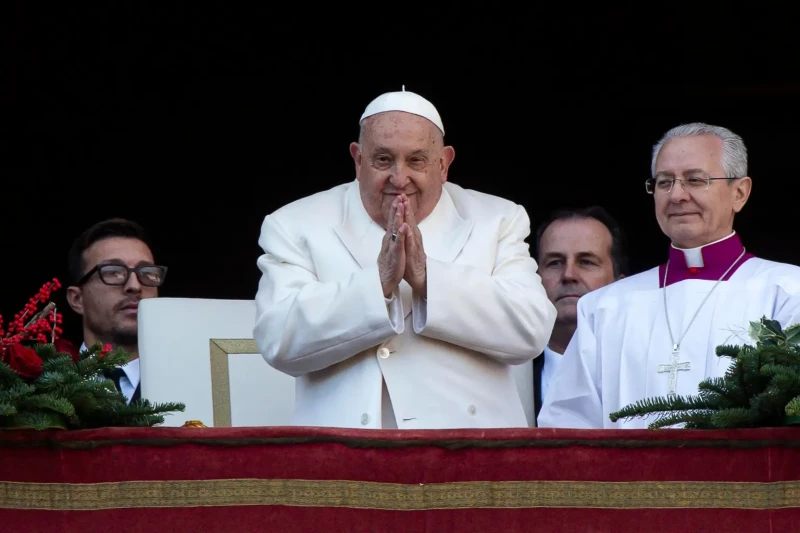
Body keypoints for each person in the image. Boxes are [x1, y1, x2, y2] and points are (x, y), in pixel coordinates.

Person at [253, 87, 556, 429]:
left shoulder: (497, 219)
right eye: (383, 159)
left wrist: (428, 278)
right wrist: (378, 284)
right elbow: (278, 339)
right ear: (358, 159)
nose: (399, 178)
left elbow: (531, 329)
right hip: (346, 452)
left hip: (471, 450)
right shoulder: (296, 224)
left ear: (443, 163)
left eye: (416, 160)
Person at [538, 122, 800, 429]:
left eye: (694, 180)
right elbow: (569, 425)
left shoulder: (788, 291)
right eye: (664, 182)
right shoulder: (603, 308)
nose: (676, 195)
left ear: (739, 193)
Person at [528, 206, 627, 423]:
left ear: (621, 285)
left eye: (586, 262)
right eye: (555, 263)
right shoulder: (507, 371)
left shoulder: (639, 369)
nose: (569, 275)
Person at [65, 218, 168, 404]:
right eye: (113, 271)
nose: (135, 286)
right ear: (77, 299)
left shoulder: (194, 381)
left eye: (147, 273)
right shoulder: (38, 387)